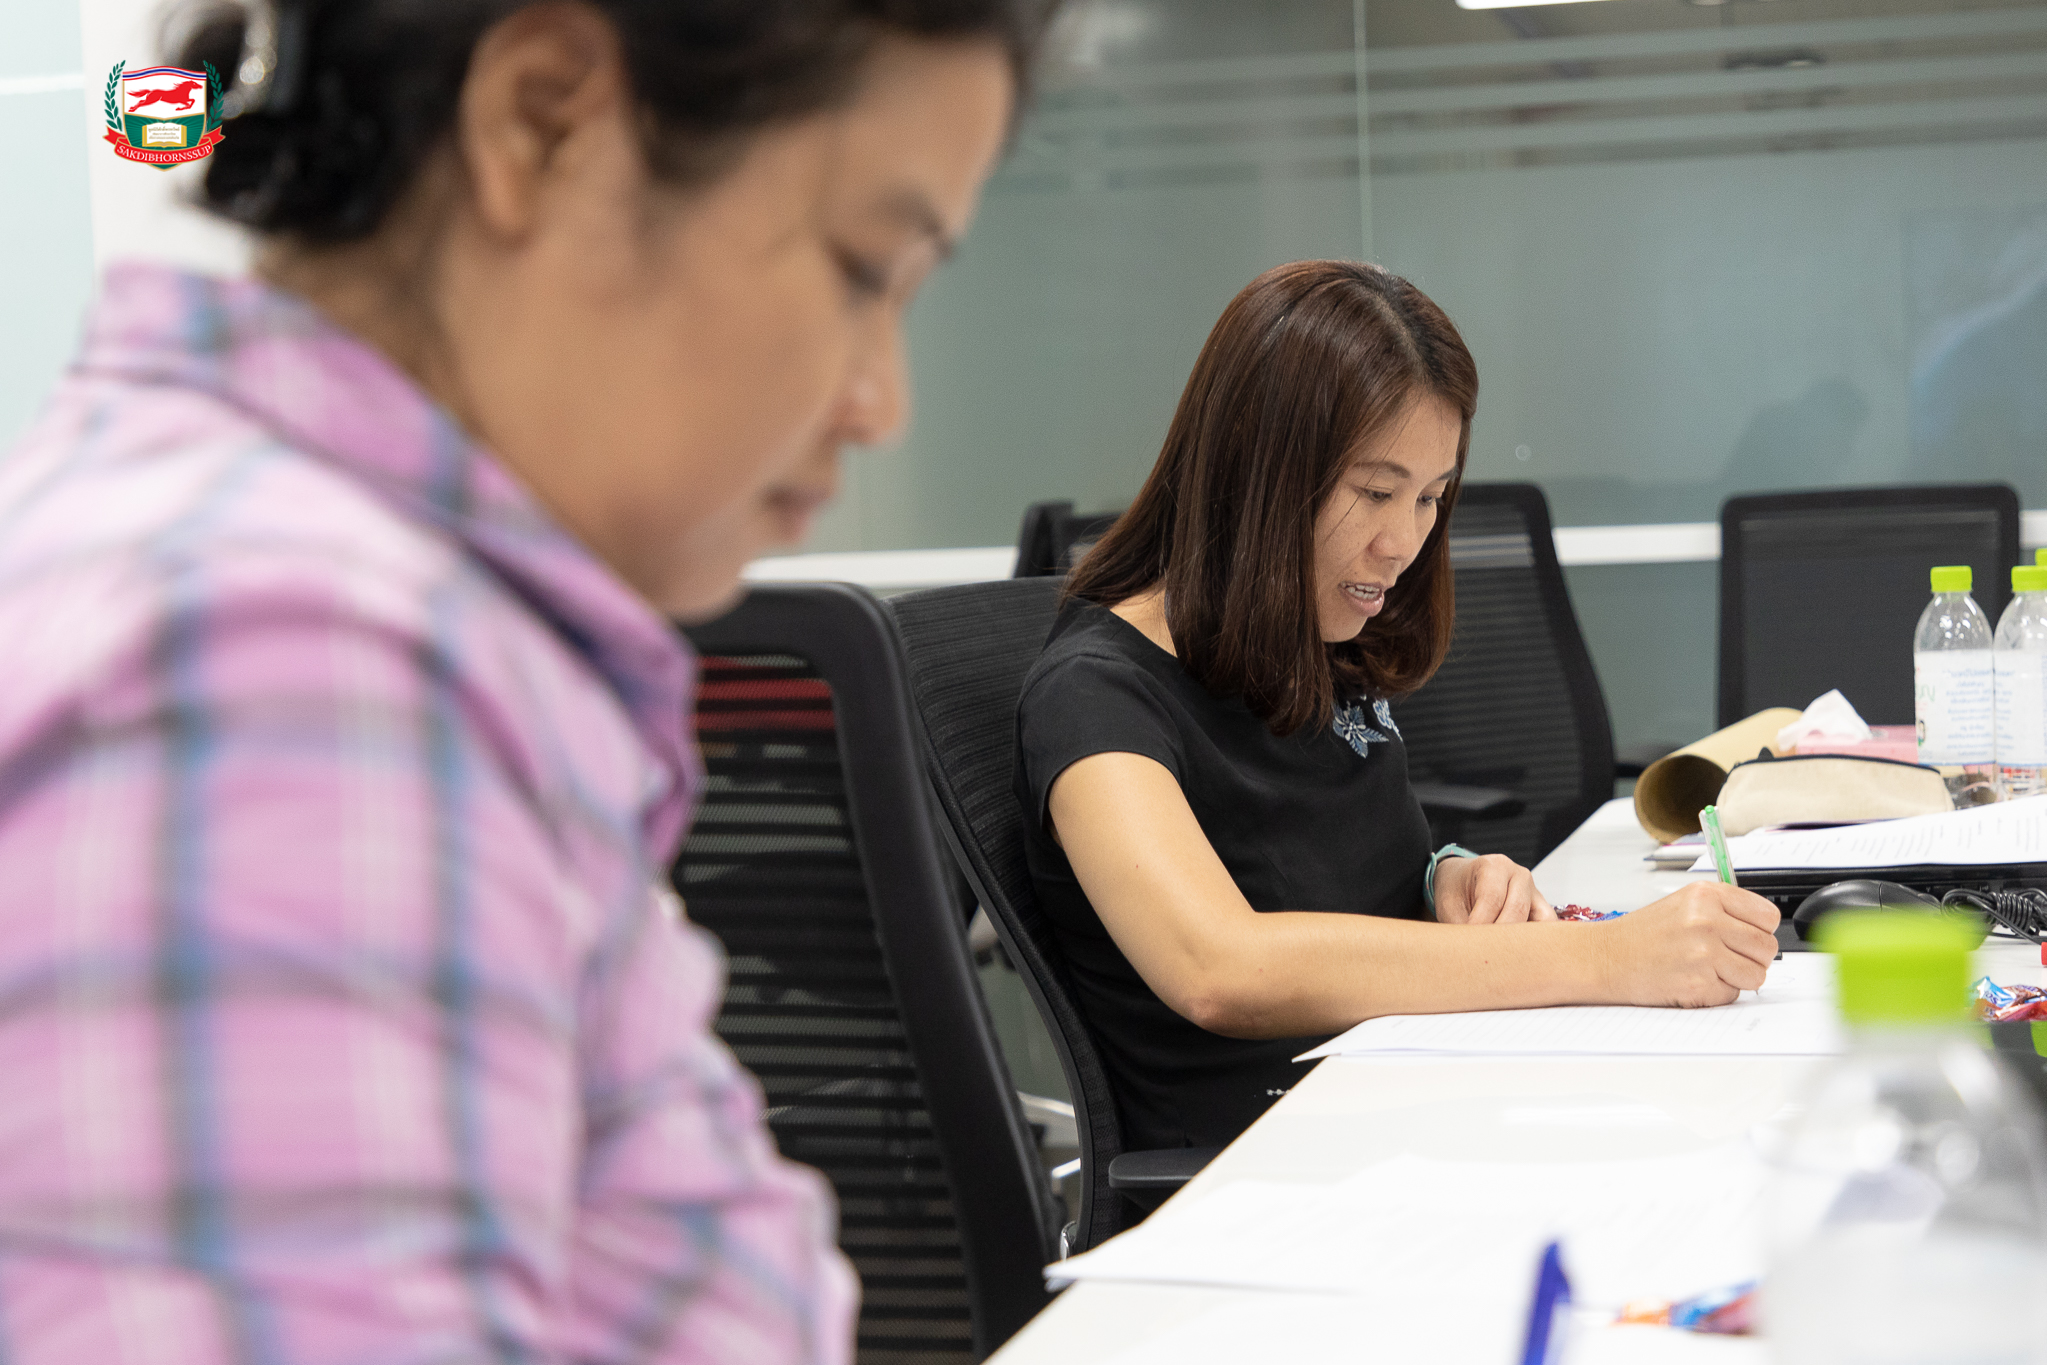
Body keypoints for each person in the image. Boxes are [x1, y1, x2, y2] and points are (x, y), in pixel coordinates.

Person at [0, 0, 1047, 1359]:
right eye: (862, 270)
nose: (880, 402)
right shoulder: (285, 668)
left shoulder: (349, 619)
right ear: (545, 123)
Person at [1016, 260, 1782, 1153]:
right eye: (1375, 493)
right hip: (1277, 1162)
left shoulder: (1305, 643)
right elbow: (1218, 967)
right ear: (1256, 472)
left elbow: (1332, 870)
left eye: (1429, 497)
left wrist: (1441, 877)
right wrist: (1608, 959)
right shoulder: (1093, 695)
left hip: (1407, 1098)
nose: (1404, 541)